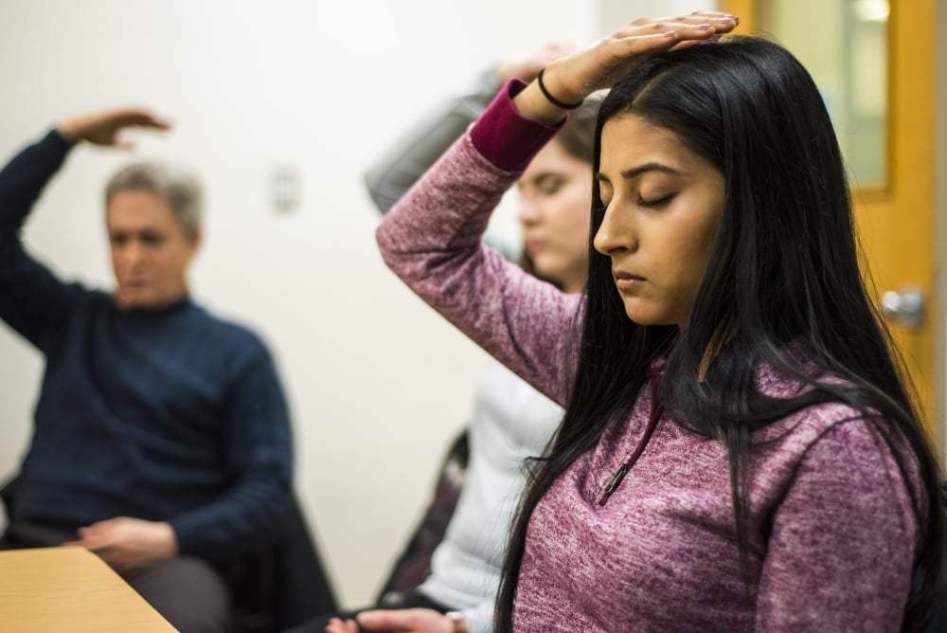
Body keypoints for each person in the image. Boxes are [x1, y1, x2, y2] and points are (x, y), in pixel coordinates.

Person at [362, 11, 943, 633]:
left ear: (759, 201)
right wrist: (550, 93)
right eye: (606, 197)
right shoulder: (619, 366)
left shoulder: (829, 447)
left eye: (655, 196)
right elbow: (418, 242)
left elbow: (423, 247)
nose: (608, 237)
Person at [289, 52, 599, 633]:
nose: (527, 214)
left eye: (551, 187)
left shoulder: (623, 341)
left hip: (508, 617)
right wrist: (500, 90)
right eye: (522, 191)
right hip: (436, 589)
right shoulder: (522, 291)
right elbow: (395, 197)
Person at [0, 109, 297, 633]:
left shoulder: (236, 352)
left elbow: (268, 495)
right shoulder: (71, 319)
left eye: (150, 239)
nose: (131, 258)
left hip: (159, 561)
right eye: (119, 239)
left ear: (192, 240)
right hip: (37, 544)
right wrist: (63, 138)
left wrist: (169, 536)